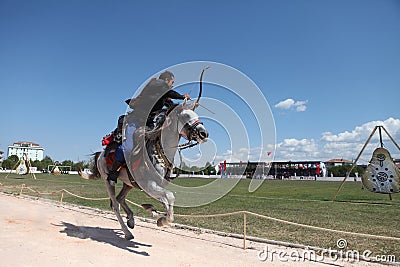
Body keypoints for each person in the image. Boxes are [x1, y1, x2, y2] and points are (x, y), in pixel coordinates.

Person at [106, 71, 191, 186]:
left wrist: (189, 106)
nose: (173, 84)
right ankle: (113, 174)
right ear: (166, 80)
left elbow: (172, 107)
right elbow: (169, 92)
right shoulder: (157, 84)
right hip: (134, 121)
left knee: (156, 147)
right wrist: (182, 96)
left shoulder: (162, 95)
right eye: (172, 82)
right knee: (127, 148)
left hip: (149, 125)